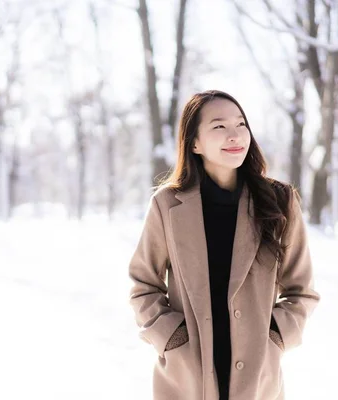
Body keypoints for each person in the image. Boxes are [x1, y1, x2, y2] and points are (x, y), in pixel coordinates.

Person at [128, 90, 320, 400]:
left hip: (258, 378)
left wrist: (276, 336)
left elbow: (302, 290)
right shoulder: (167, 205)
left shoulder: (279, 202)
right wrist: (172, 338)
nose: (234, 135)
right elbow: (143, 285)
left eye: (240, 124)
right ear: (194, 143)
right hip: (186, 376)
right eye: (219, 126)